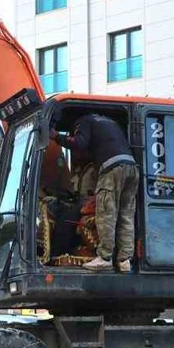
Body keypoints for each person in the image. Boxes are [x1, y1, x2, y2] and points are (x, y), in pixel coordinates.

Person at [55, 114, 141, 272]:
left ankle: (105, 258)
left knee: (106, 213)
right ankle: (125, 260)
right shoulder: (110, 122)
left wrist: (57, 137)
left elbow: (79, 143)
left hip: (112, 169)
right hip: (132, 168)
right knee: (126, 215)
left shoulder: (83, 121)